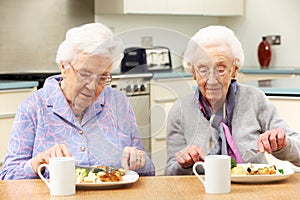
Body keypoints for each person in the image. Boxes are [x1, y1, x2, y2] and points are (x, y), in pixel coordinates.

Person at [0, 23, 155, 179]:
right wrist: (36, 163)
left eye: (102, 77)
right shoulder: (33, 107)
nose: (93, 86)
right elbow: (7, 177)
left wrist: (139, 161)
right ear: (64, 67)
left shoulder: (118, 103)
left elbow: (149, 172)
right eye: (85, 74)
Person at [164, 25, 300, 175]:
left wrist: (282, 143)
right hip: (203, 192)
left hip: (254, 190)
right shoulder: (180, 110)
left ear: (234, 70)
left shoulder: (255, 99)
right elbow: (170, 173)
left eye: (220, 69)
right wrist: (184, 164)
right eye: (203, 69)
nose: (212, 80)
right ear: (193, 72)